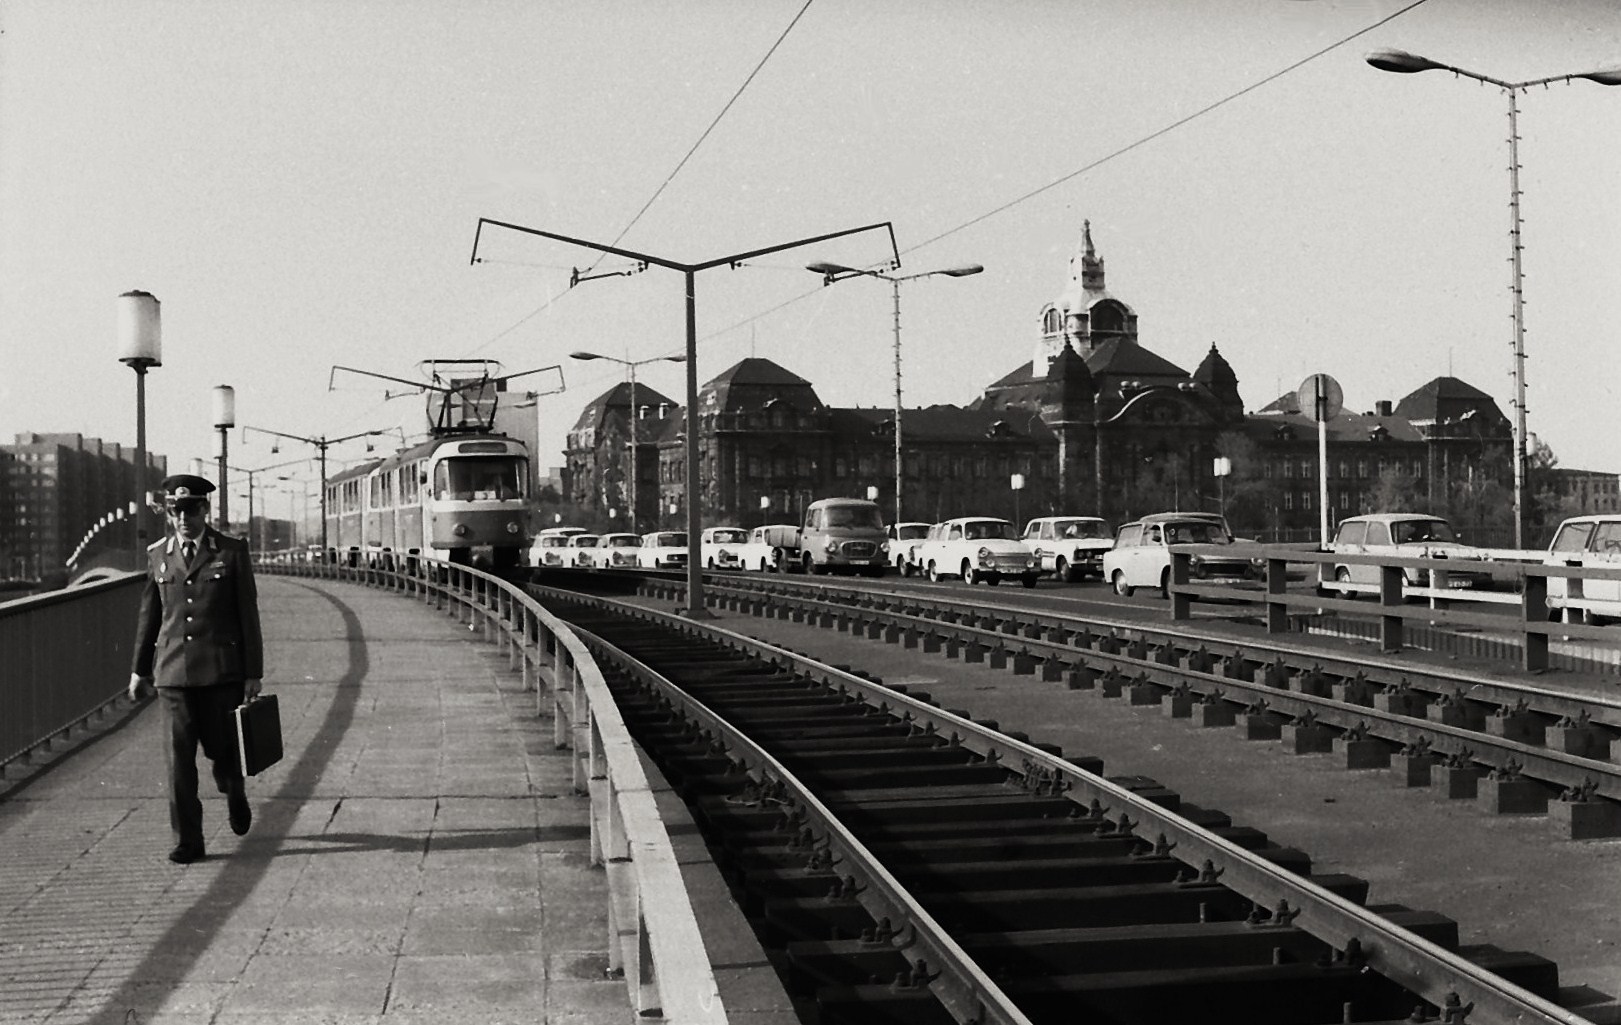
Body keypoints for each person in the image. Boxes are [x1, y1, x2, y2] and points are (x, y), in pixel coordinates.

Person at [127, 474, 264, 864]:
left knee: (223, 755)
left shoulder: (233, 551)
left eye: (191, 510)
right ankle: (189, 840)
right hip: (172, 676)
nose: (184, 518)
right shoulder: (158, 554)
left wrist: (253, 672)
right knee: (178, 762)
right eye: (176, 511)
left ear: (206, 509)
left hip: (221, 674)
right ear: (169, 514)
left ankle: (234, 792)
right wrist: (139, 669)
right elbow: (149, 616)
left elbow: (247, 614)